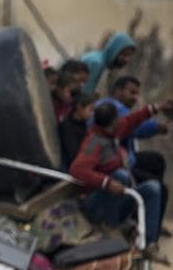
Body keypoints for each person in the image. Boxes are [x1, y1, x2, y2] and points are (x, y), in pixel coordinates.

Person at [69, 99, 173, 252]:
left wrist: (157, 107)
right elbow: (77, 170)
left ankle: (149, 244)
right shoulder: (93, 143)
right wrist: (106, 182)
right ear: (111, 123)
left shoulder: (114, 131)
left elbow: (133, 120)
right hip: (97, 205)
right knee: (120, 175)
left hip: (118, 199)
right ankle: (111, 228)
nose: (120, 123)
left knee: (153, 188)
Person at [99, 76, 169, 224]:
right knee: (159, 188)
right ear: (118, 91)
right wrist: (156, 126)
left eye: (137, 94)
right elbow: (133, 126)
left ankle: (143, 217)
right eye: (132, 92)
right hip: (115, 165)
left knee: (156, 160)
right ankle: (146, 227)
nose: (135, 98)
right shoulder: (110, 107)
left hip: (125, 158)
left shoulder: (119, 108)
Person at [80, 32, 137, 96]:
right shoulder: (96, 64)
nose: (126, 60)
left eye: (129, 56)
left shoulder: (101, 61)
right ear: (115, 50)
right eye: (124, 55)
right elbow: (84, 94)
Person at [58, 92, 97, 166]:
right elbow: (73, 154)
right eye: (90, 109)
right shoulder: (67, 126)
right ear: (79, 108)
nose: (92, 114)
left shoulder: (82, 123)